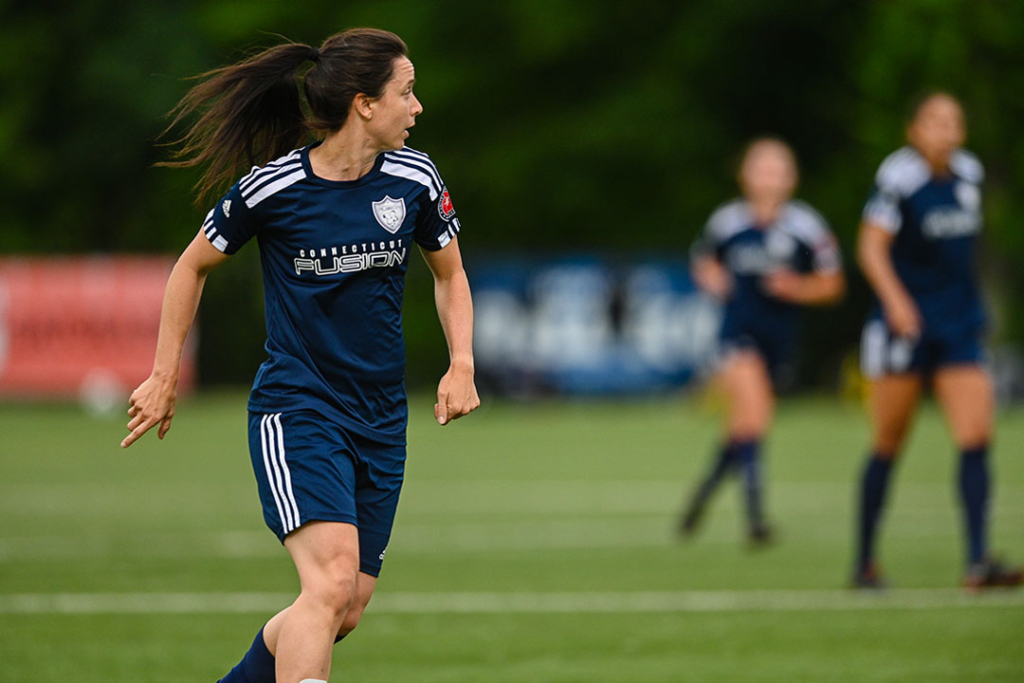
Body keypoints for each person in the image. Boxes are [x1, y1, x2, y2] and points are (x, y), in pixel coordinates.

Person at [120, 28, 480, 683]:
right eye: (407, 92)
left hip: (380, 417)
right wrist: (164, 373)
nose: (417, 106)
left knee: (344, 605)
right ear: (365, 104)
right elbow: (190, 266)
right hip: (299, 407)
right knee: (332, 579)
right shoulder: (274, 188)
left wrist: (462, 362)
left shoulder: (415, 177)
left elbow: (450, 275)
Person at [854, 92, 1021, 591]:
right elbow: (870, 247)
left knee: (976, 435)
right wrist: (897, 302)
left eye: (953, 122)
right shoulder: (898, 179)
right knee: (889, 441)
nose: (945, 131)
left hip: (958, 327)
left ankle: (977, 561)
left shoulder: (969, 175)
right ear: (913, 130)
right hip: (905, 327)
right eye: (934, 122)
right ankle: (864, 563)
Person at [678, 138, 845, 545]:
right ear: (745, 175)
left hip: (781, 341)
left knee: (741, 428)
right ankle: (756, 520)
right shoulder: (728, 222)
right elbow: (703, 260)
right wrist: (712, 280)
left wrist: (797, 288)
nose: (771, 176)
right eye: (762, 167)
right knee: (755, 417)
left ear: (792, 178)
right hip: (738, 336)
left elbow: (832, 285)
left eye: (779, 168)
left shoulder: (807, 227)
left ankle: (700, 498)